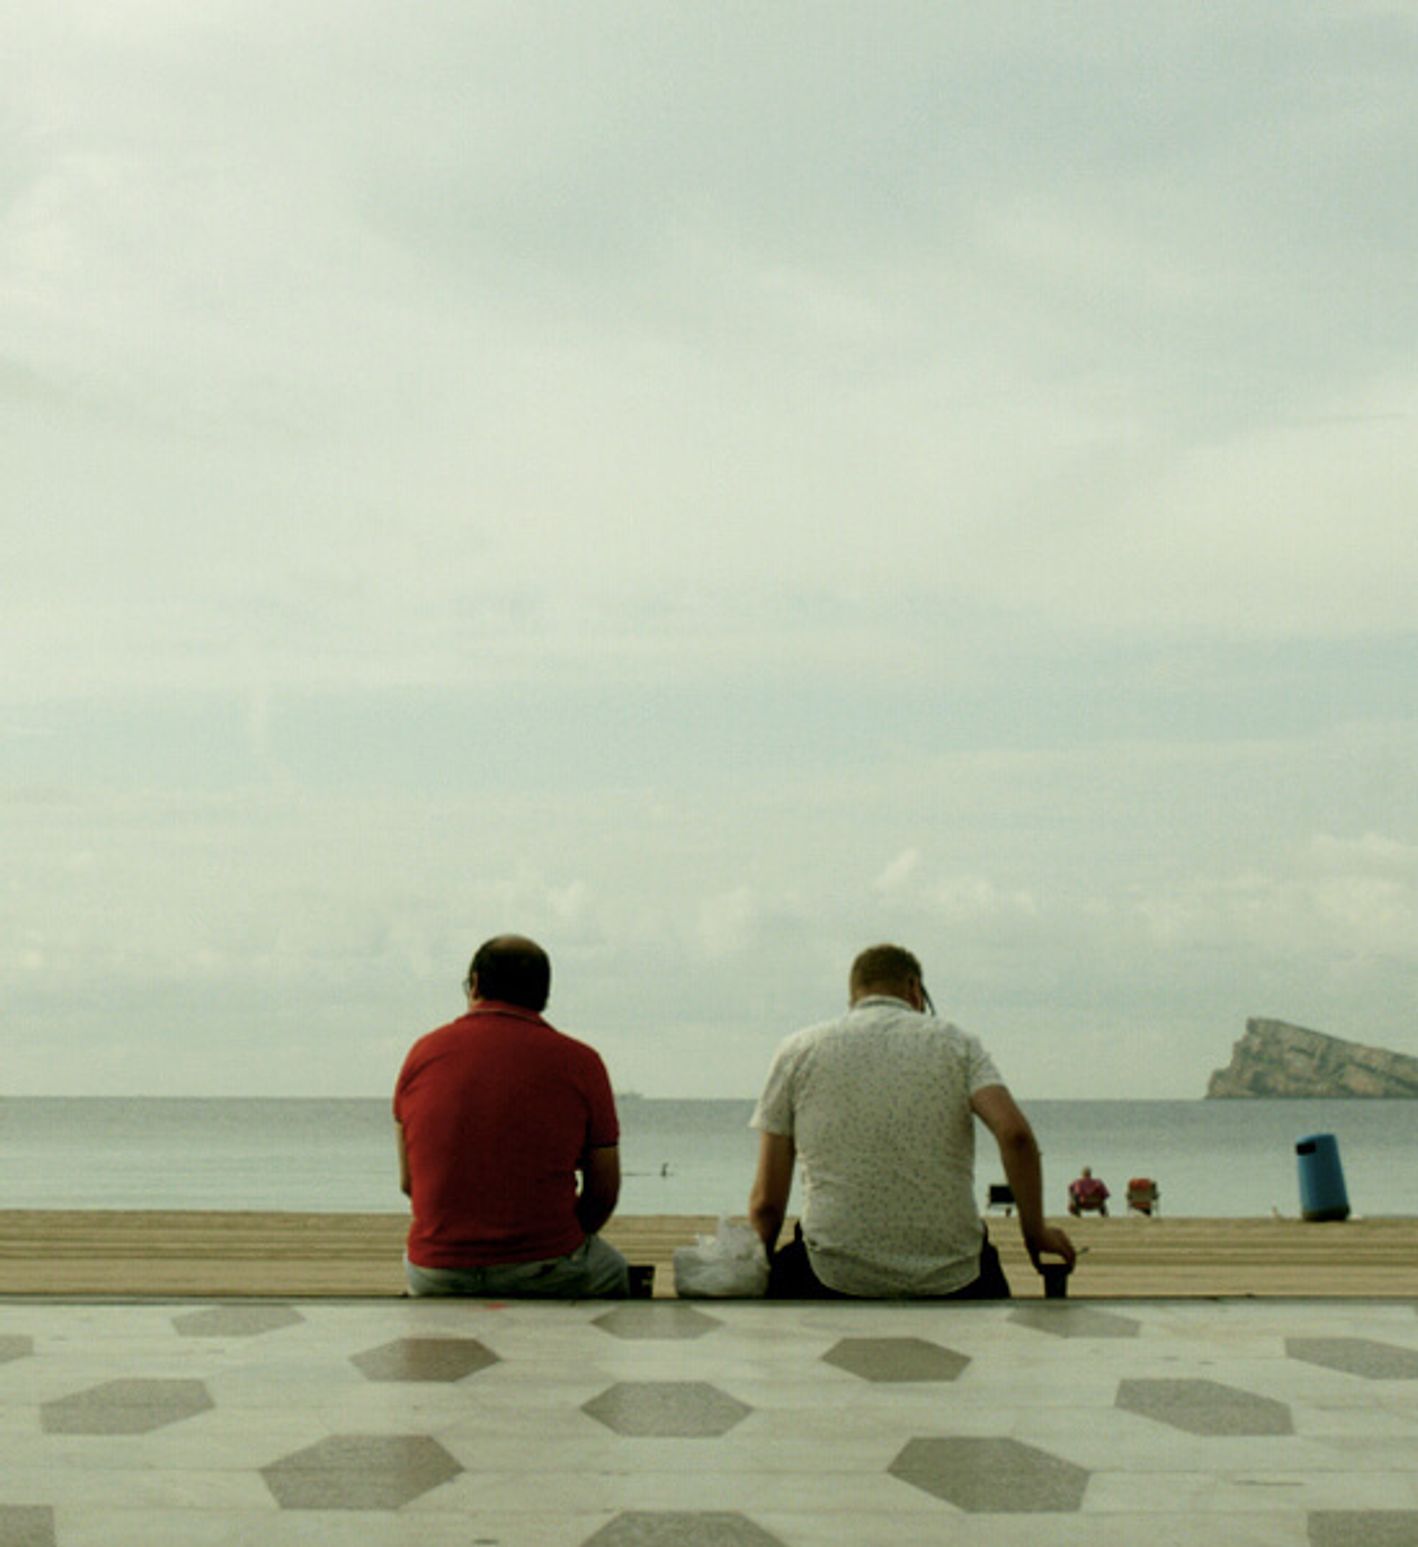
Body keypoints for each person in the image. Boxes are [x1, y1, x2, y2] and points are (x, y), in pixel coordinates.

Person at [748, 943, 1075, 1298]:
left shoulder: (798, 1051)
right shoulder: (959, 1045)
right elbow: (1015, 1136)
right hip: (953, 1276)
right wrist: (1035, 1232)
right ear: (914, 988)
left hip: (831, 1274)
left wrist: (755, 1266)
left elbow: (767, 1204)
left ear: (854, 997)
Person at [393, 934, 629, 1297]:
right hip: (546, 1267)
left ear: (474, 984)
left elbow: (409, 1182)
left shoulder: (422, 1055)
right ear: (543, 994)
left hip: (437, 1268)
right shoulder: (581, 1062)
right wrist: (555, 1241)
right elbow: (604, 1191)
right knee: (615, 1272)